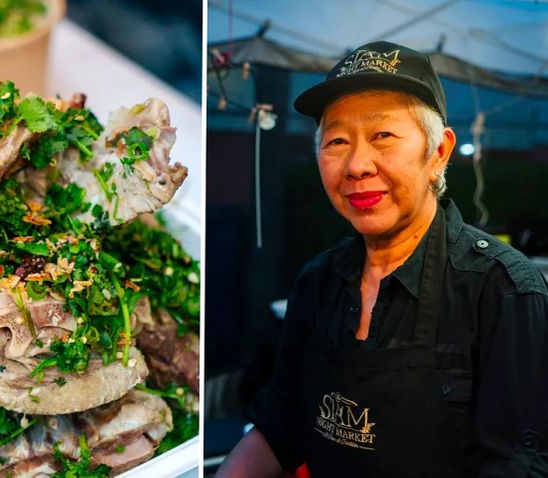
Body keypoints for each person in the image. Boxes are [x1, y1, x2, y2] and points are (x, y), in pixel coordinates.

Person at [216, 41, 548, 477]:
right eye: (336, 140)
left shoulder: (504, 289)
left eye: (382, 136)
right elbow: (280, 424)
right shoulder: (317, 281)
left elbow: (519, 464)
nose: (356, 165)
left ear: (439, 153)